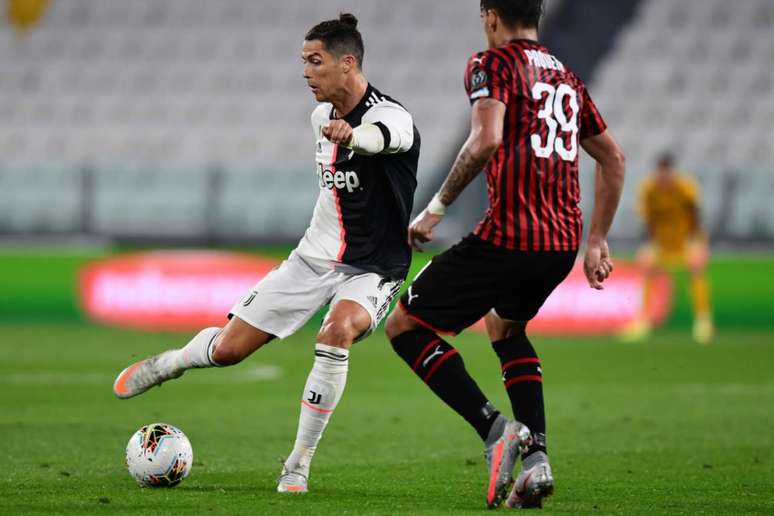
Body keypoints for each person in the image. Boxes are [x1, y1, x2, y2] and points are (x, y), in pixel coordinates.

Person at [112, 13, 420, 494]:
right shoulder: (320, 117)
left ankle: (298, 462)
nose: (305, 72)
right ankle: (172, 362)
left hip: (375, 269)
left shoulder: (390, 115)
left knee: (336, 333)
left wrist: (356, 137)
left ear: (348, 62)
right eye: (303, 62)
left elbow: (390, 138)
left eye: (315, 61)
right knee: (229, 350)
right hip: (313, 258)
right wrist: (340, 134)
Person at [384, 0, 625, 509]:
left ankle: (496, 428)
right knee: (505, 327)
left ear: (491, 16)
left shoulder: (489, 63)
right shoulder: (567, 77)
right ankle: (537, 462)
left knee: (404, 325)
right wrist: (598, 240)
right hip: (560, 243)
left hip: (510, 237)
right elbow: (613, 157)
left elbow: (485, 139)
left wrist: (436, 207)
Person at [621, 152, 713, 344]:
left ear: (672, 171)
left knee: (696, 268)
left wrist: (698, 241)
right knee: (646, 266)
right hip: (661, 243)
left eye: (666, 171)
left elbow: (695, 214)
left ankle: (703, 322)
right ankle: (642, 321)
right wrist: (649, 244)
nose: (663, 176)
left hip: (684, 240)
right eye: (661, 172)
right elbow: (648, 220)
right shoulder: (649, 189)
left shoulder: (685, 187)